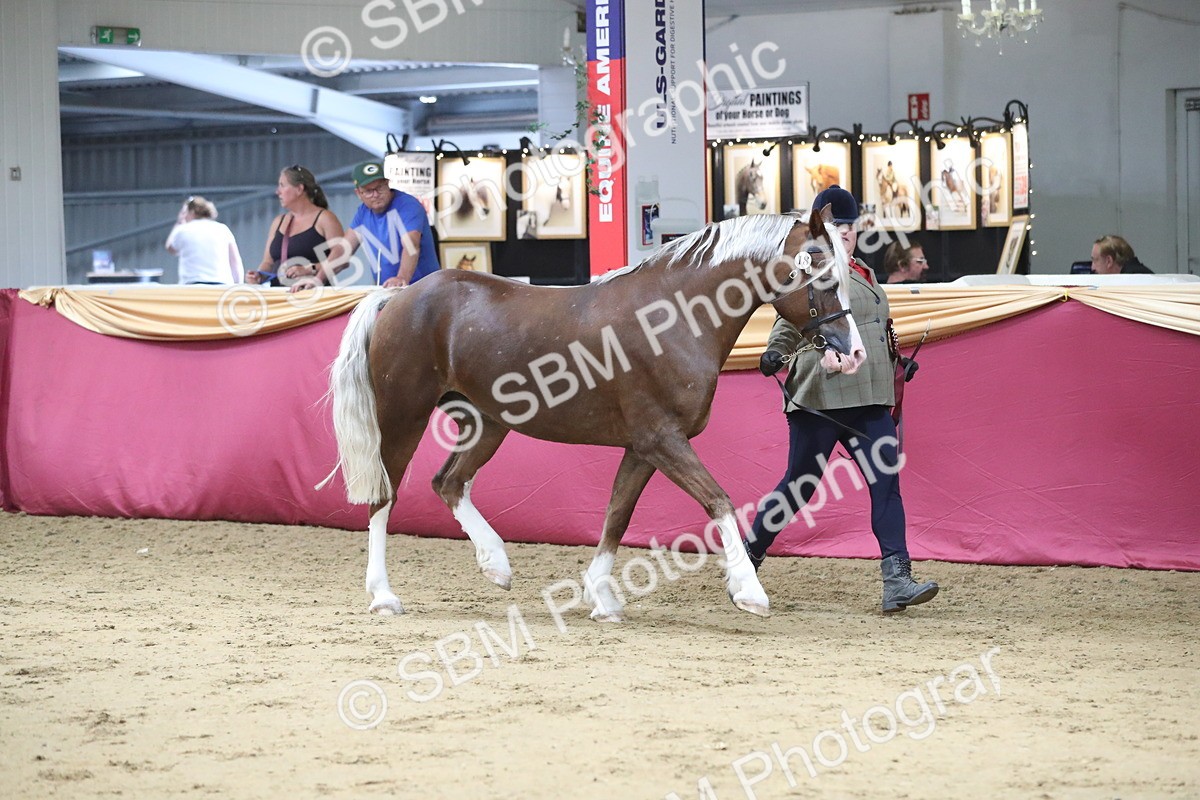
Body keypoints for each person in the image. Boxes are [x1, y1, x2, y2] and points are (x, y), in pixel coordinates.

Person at [748, 184, 939, 614]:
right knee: (798, 488)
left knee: (885, 484)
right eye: (836, 225)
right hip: (821, 396)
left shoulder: (866, 273)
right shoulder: (810, 270)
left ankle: (897, 581)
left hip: (869, 395)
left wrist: (894, 362)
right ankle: (748, 558)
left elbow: (869, 325)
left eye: (850, 226)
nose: (845, 232)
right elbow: (794, 315)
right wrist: (776, 349)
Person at [246, 165, 345, 290]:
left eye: (282, 185)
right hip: (281, 298)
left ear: (299, 189)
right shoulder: (279, 222)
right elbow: (268, 262)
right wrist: (259, 275)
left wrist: (310, 269)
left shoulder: (325, 218)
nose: (278, 191)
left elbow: (342, 259)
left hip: (313, 297)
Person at [165, 196, 243, 284]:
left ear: (192, 212)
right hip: (220, 284)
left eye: (185, 213)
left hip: (192, 284)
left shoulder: (183, 230)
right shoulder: (223, 229)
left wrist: (179, 222)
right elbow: (235, 262)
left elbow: (170, 248)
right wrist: (238, 285)